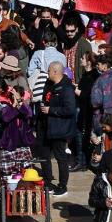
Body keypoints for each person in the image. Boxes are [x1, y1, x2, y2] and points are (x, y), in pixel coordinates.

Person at [37, 61, 77, 198]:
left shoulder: (67, 88)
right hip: (45, 126)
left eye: (48, 71)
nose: (47, 73)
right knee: (44, 156)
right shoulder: (49, 85)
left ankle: (62, 186)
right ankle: (47, 182)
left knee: (61, 158)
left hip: (59, 128)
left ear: (55, 71)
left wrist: (51, 110)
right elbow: (45, 99)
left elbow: (70, 109)